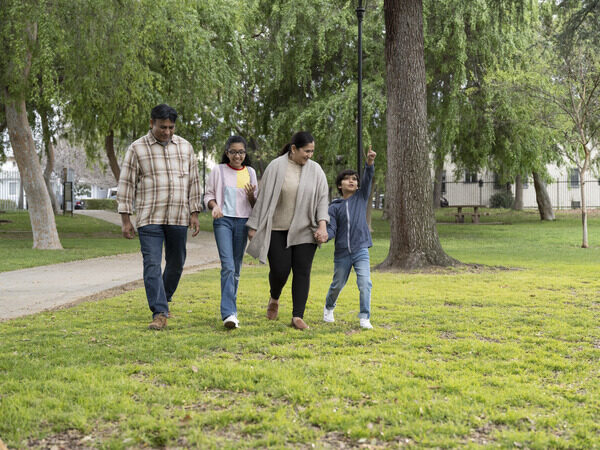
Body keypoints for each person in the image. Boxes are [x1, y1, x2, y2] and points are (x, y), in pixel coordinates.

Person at [117, 104, 202, 330]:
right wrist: (125, 219)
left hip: (178, 216)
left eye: (171, 127)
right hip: (149, 217)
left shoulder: (185, 147)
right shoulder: (137, 148)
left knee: (176, 263)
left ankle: (164, 299)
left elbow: (193, 181)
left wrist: (194, 212)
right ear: (151, 123)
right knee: (152, 264)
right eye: (162, 127)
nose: (167, 132)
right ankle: (159, 311)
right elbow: (126, 184)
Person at [246, 131, 329, 330]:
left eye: (312, 151)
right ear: (294, 149)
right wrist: (254, 226)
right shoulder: (276, 167)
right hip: (276, 228)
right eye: (306, 151)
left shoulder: (316, 170)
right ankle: (274, 297)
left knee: (302, 271)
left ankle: (297, 316)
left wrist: (322, 225)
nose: (310, 155)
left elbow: (322, 200)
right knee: (280, 270)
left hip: (305, 229)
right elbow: (264, 198)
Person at [204, 136, 257, 329]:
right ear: (227, 152)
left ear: (245, 154)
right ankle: (228, 313)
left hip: (243, 223)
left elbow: (255, 204)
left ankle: (232, 311)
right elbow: (209, 194)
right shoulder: (218, 171)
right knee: (228, 266)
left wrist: (252, 197)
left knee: (236, 267)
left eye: (241, 152)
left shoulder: (250, 172)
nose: (237, 156)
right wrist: (214, 206)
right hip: (223, 221)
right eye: (233, 152)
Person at [323, 146, 377, 329]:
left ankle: (364, 317)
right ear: (340, 185)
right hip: (342, 253)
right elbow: (332, 229)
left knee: (364, 283)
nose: (352, 181)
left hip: (360, 249)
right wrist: (324, 237)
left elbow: (368, 178)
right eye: (347, 179)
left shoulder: (361, 197)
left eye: (354, 179)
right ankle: (329, 307)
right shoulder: (335, 207)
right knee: (337, 284)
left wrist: (369, 163)